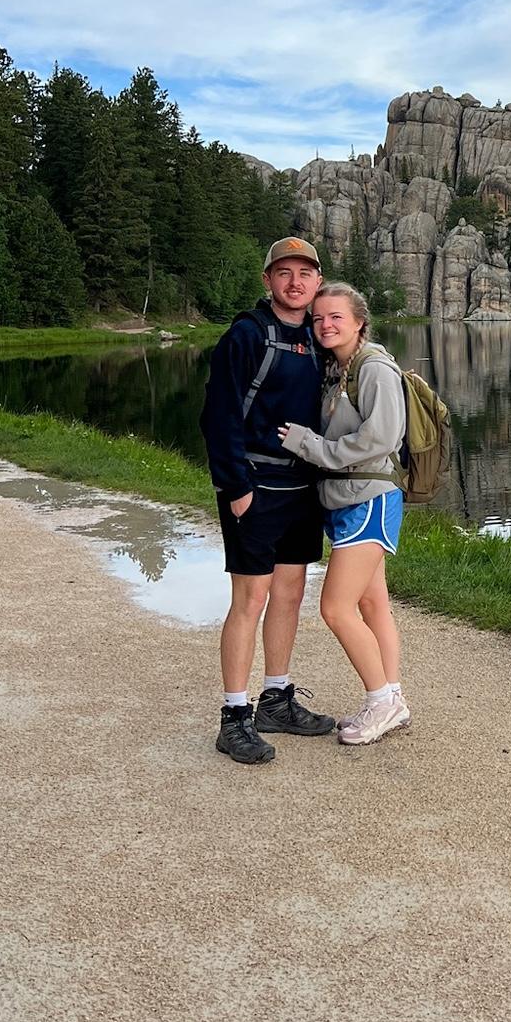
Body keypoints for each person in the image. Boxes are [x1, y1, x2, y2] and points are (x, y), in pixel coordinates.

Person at [199, 236, 337, 765]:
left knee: (289, 594)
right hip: (254, 487)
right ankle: (234, 716)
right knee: (250, 599)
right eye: (284, 273)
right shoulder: (247, 335)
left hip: (302, 490)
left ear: (317, 281)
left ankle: (276, 700)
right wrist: (236, 488)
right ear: (268, 280)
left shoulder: (320, 338)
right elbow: (218, 417)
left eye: (305, 273)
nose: (295, 282)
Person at [278, 281, 410, 746]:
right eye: (318, 318)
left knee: (335, 608)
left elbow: (381, 438)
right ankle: (393, 697)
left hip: (369, 500)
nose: (325, 325)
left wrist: (310, 445)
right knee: (372, 604)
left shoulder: (374, 367)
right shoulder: (338, 368)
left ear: (359, 321)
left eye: (336, 317)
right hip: (346, 499)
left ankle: (381, 702)